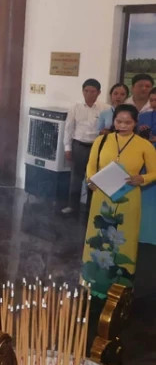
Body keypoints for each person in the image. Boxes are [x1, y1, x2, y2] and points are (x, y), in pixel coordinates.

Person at [83, 104, 156, 298]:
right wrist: (90, 179)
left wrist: (142, 179)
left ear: (136, 123)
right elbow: (91, 165)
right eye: (118, 121)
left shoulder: (144, 145)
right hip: (102, 194)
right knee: (98, 236)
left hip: (129, 196)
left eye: (127, 122)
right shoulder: (101, 140)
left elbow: (154, 171)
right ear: (113, 120)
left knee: (123, 239)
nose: (122, 125)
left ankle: (120, 284)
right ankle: (93, 281)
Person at [62, 78, 108, 215]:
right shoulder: (75, 107)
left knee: (94, 177)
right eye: (86, 91)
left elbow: (109, 128)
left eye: (93, 91)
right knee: (76, 177)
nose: (89, 94)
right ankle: (72, 206)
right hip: (79, 146)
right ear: (82, 91)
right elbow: (68, 129)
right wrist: (67, 148)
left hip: (97, 147)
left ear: (99, 92)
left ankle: (90, 208)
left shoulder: (105, 108)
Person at [136, 88, 156, 246]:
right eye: (152, 100)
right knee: (144, 199)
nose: (154, 103)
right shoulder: (143, 116)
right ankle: (142, 233)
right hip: (144, 160)